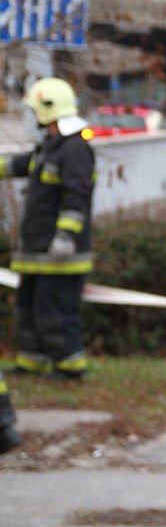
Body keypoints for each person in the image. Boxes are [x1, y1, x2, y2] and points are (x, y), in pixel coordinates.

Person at [2, 78, 95, 381]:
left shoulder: (75, 149)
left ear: (47, 109)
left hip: (60, 252)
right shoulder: (50, 148)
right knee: (28, 309)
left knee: (54, 312)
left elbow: (76, 196)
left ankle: (69, 368)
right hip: (37, 249)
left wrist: (65, 237)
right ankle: (33, 363)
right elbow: (18, 165)